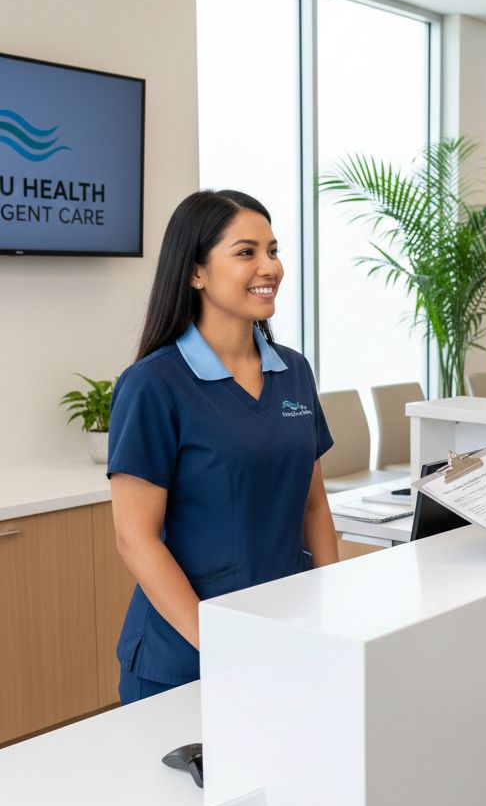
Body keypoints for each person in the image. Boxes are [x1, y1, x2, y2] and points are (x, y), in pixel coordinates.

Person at [108, 189, 338, 704]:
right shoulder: (153, 384)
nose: (269, 267)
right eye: (246, 252)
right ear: (195, 272)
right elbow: (136, 538)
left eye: (273, 250)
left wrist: (330, 611)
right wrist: (220, 646)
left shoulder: (292, 370)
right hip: (187, 657)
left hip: (283, 636)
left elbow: (313, 503)